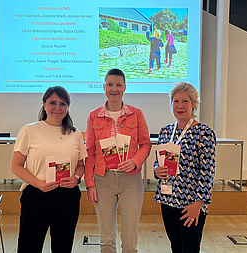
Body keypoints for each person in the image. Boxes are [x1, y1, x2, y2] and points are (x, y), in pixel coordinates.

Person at [11, 86, 87, 253]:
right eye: (52, 102)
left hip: (68, 197)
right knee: (29, 247)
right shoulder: (29, 130)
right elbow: (16, 166)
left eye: (62, 103)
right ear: (44, 104)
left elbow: (81, 165)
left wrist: (76, 179)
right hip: (36, 196)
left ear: (67, 107)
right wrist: (38, 183)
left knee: (63, 247)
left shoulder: (75, 134)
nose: (57, 108)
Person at [85, 68, 151, 253]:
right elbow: (90, 152)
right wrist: (90, 184)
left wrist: (135, 161)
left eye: (118, 85)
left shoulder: (136, 114)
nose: (114, 89)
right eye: (110, 84)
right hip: (103, 179)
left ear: (125, 87)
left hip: (131, 179)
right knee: (106, 239)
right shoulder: (94, 116)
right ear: (104, 87)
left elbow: (145, 144)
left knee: (130, 239)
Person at [153, 82, 216, 253]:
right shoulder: (165, 131)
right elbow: (158, 161)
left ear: (194, 104)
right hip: (168, 201)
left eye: (185, 101)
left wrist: (199, 203)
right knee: (176, 247)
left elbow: (208, 171)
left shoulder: (204, 132)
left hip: (191, 204)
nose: (180, 106)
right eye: (176, 101)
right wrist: (156, 171)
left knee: (190, 248)